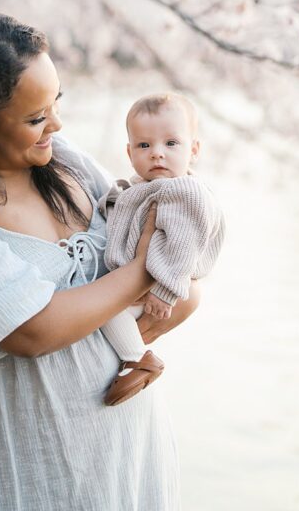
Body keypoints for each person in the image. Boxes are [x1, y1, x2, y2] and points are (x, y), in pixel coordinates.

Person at [0, 13, 199, 511]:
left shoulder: (66, 162)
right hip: (30, 446)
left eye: (55, 104)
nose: (55, 125)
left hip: (126, 440)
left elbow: (185, 264)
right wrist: (145, 269)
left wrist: (130, 333)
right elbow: (32, 331)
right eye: (36, 117)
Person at [98, 93, 225, 406]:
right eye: (144, 146)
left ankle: (137, 360)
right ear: (129, 152)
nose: (157, 154)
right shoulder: (145, 185)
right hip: (142, 280)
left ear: (193, 150)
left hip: (159, 286)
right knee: (105, 311)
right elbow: (126, 205)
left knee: (104, 312)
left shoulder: (185, 192)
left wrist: (165, 291)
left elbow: (183, 244)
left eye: (171, 144)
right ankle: (132, 359)